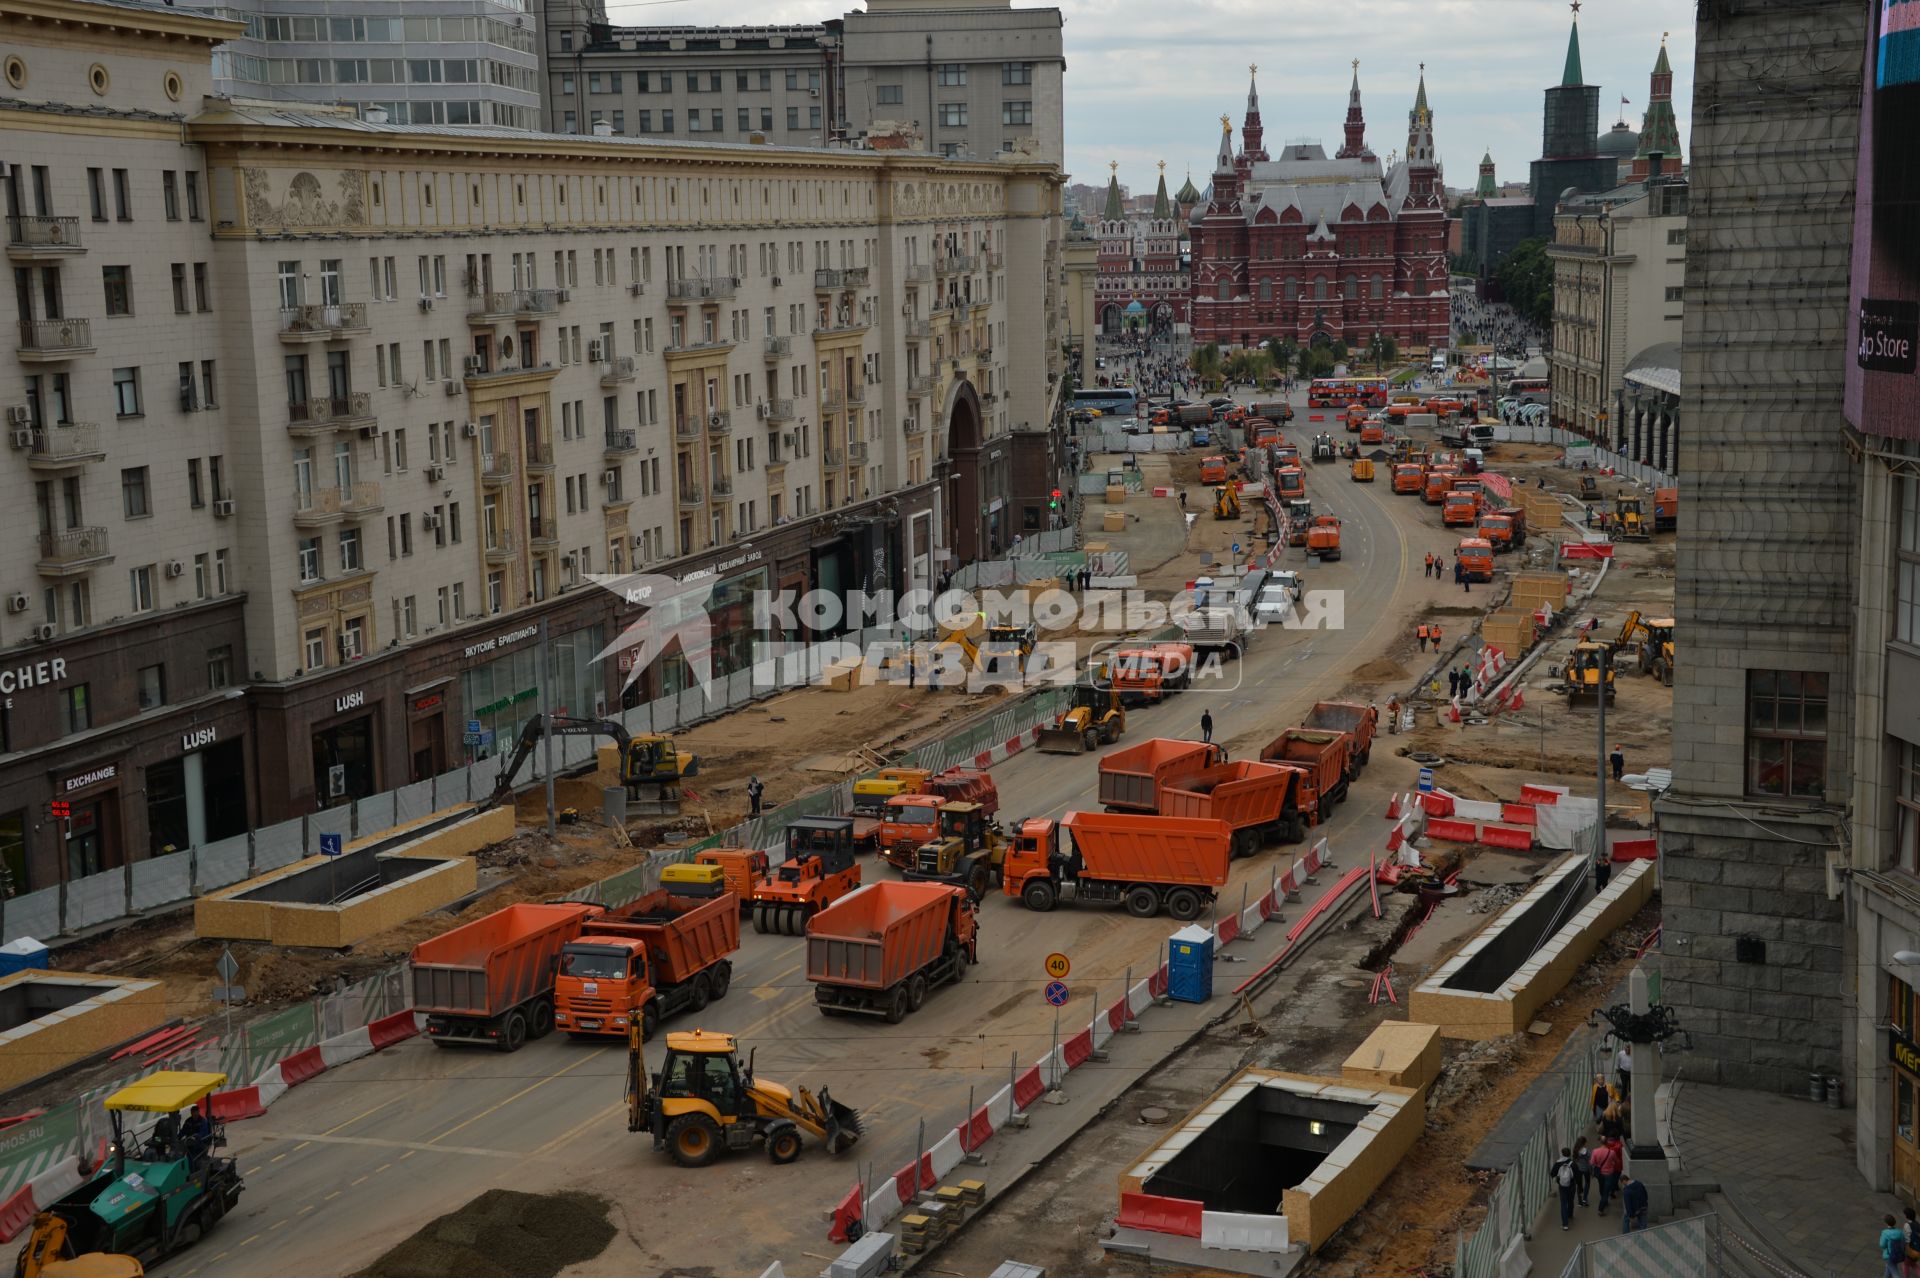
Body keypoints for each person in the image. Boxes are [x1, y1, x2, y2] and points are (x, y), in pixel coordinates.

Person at [1590, 1135, 1623, 1213]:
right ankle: (1601, 1208)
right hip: (1609, 1173)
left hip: (1599, 1173)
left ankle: (1604, 1201)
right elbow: (1617, 1161)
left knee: (1601, 1188)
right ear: (1607, 1143)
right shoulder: (1611, 1152)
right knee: (1606, 1191)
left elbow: (1592, 1162)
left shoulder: (1595, 1151)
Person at [1550, 1146, 1577, 1230]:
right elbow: (1577, 1174)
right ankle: (1570, 1215)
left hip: (1562, 1186)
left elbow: (1552, 1174)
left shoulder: (1558, 1163)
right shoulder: (1572, 1163)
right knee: (1571, 1200)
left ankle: (1565, 1224)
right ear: (1569, 1154)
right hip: (1572, 1185)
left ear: (1562, 1154)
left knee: (1563, 1204)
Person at [1571, 1136, 1593, 1208]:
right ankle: (1585, 1199)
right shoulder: (1586, 1151)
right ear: (1584, 1143)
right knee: (1587, 1183)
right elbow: (1590, 1161)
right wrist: (1591, 1170)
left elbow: (1574, 1160)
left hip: (1578, 1169)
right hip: (1586, 1169)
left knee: (1579, 1185)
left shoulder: (1575, 1150)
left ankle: (1580, 1201)